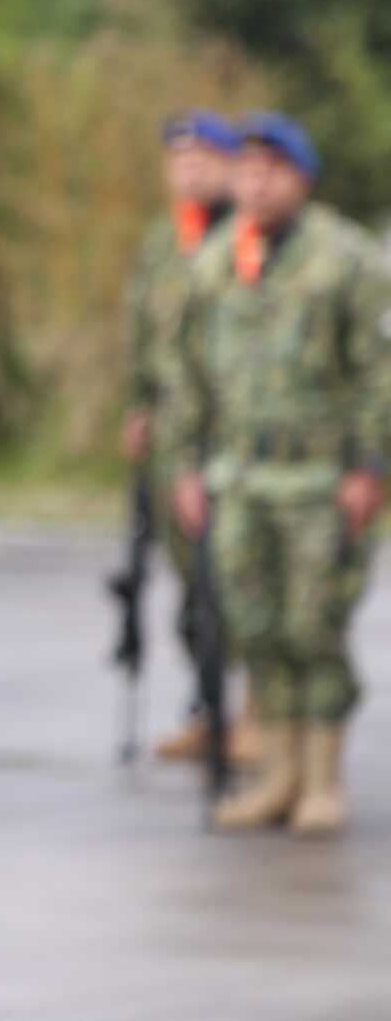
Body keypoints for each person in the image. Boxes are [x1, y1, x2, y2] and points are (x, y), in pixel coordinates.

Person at [172, 111, 388, 835]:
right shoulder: (216, 260)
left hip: (319, 481)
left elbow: (377, 372)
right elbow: (189, 373)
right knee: (257, 626)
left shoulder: (347, 259)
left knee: (313, 626)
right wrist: (186, 465)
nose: (256, 183)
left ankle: (323, 776)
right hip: (240, 479)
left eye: (272, 170)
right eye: (248, 169)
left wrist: (372, 463)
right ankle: (278, 772)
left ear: (302, 177)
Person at [121, 109, 241, 763]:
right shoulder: (164, 243)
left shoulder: (250, 237)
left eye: (203, 159)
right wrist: (139, 404)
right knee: (192, 580)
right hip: (173, 437)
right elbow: (143, 331)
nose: (190, 171)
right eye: (179, 160)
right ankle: (211, 702)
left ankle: (258, 713)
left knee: (243, 578)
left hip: (237, 437)